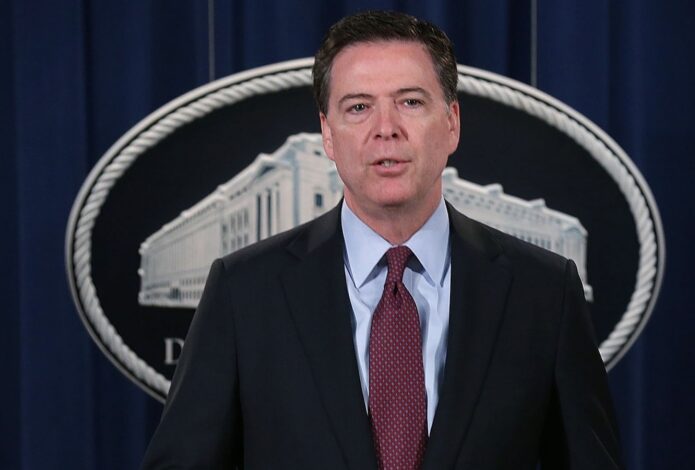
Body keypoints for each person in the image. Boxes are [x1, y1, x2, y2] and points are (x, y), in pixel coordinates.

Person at [142, 10, 623, 469]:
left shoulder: (544, 292)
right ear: (328, 134)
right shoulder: (243, 291)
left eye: (410, 102)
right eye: (358, 107)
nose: (386, 129)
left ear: (452, 123)